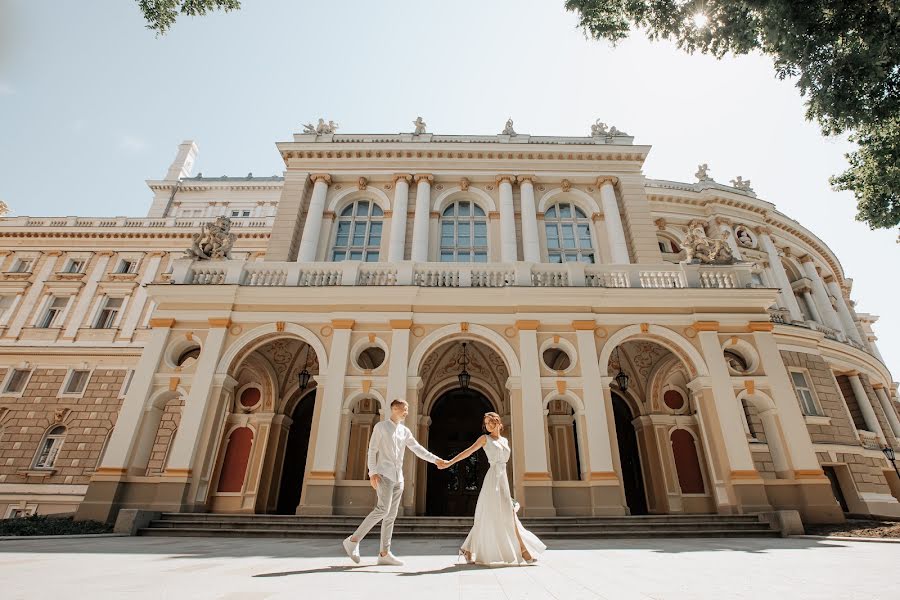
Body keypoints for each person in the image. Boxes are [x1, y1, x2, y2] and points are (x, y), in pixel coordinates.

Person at [342, 398, 448, 566]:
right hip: (383, 475)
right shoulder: (381, 427)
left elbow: (417, 449)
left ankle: (384, 553)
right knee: (382, 509)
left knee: (391, 515)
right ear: (395, 409)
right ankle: (353, 540)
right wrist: (372, 472)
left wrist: (436, 460)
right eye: (404, 409)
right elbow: (372, 450)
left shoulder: (404, 431)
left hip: (399, 478)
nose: (407, 412)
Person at [448, 411, 546, 565]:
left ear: (498, 422)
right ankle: (524, 551)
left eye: (490, 422)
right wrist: (449, 462)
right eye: (485, 423)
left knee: (502, 514)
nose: (487, 425)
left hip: (503, 479)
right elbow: (468, 452)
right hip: (492, 479)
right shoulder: (484, 439)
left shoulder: (505, 441)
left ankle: (467, 549)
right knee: (501, 515)